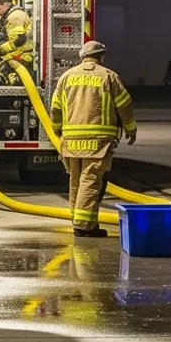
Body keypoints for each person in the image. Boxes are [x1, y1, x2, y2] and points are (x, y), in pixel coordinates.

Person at [50, 40, 137, 238]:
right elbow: (124, 105)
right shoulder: (108, 77)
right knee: (91, 180)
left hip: (71, 141)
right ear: (101, 57)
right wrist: (130, 129)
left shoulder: (67, 77)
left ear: (82, 57)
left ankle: (79, 222)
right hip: (98, 141)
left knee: (76, 181)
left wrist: (57, 131)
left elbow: (55, 108)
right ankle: (84, 225)